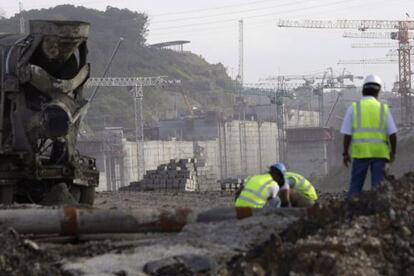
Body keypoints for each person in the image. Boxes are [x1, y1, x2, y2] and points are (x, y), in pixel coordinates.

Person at [340, 74, 397, 197]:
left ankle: (351, 212)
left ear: (363, 90)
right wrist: (393, 152)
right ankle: (378, 213)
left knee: (355, 187)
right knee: (378, 188)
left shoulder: (354, 108)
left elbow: (347, 134)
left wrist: (345, 153)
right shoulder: (383, 109)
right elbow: (392, 134)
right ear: (378, 91)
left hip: (360, 153)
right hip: (380, 154)